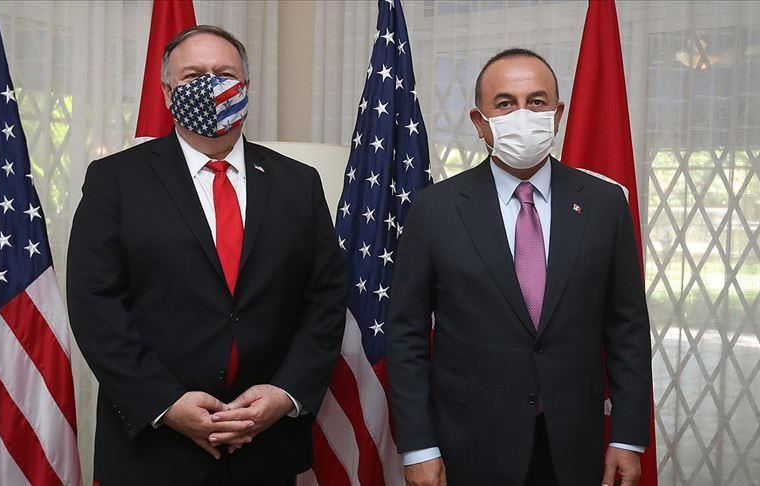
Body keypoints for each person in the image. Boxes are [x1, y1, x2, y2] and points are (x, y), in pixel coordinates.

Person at [67, 25, 347, 486]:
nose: (210, 85)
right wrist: (165, 403)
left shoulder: (299, 183)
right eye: (193, 75)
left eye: (224, 74)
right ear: (166, 92)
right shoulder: (115, 180)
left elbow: (326, 299)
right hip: (153, 451)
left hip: (266, 448)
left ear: (246, 87)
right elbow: (94, 303)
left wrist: (285, 393)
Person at [385, 48, 652, 486]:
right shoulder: (435, 210)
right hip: (469, 443)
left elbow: (627, 328)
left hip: (574, 443)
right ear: (480, 122)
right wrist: (418, 446)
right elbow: (406, 335)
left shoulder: (604, 204)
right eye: (505, 103)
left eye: (537, 102)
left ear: (557, 115)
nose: (523, 115)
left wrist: (627, 437)